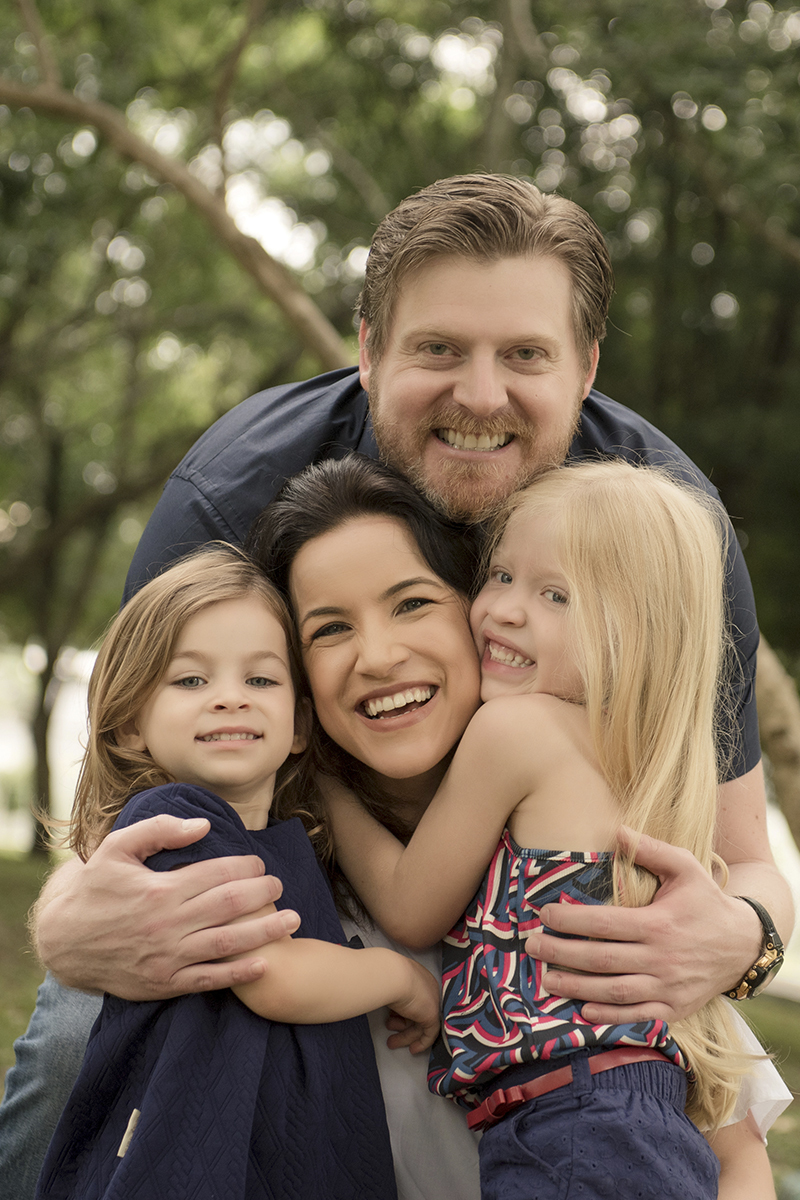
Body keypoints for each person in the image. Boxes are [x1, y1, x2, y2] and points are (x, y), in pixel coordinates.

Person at [1, 174, 792, 1196]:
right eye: (436, 349)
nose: (478, 394)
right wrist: (65, 921)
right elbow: (117, 808)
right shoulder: (229, 499)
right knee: (87, 1020)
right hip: (306, 843)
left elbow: (743, 860)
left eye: (523, 355)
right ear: (367, 349)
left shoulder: (657, 528)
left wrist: (738, 935)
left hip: (546, 896)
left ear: (585, 366)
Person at [251, 454, 785, 1200]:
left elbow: (410, 907)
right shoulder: (637, 798)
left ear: (632, 633)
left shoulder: (514, 732)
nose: (504, 609)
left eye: (555, 595)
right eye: (500, 577)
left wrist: (322, 785)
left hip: (571, 1128)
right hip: (615, 1125)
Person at [34, 542, 441, 1200]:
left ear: (300, 725)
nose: (230, 699)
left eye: (260, 680)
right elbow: (269, 972)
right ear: (132, 724)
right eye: (191, 680)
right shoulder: (174, 821)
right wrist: (400, 977)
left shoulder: (289, 840)